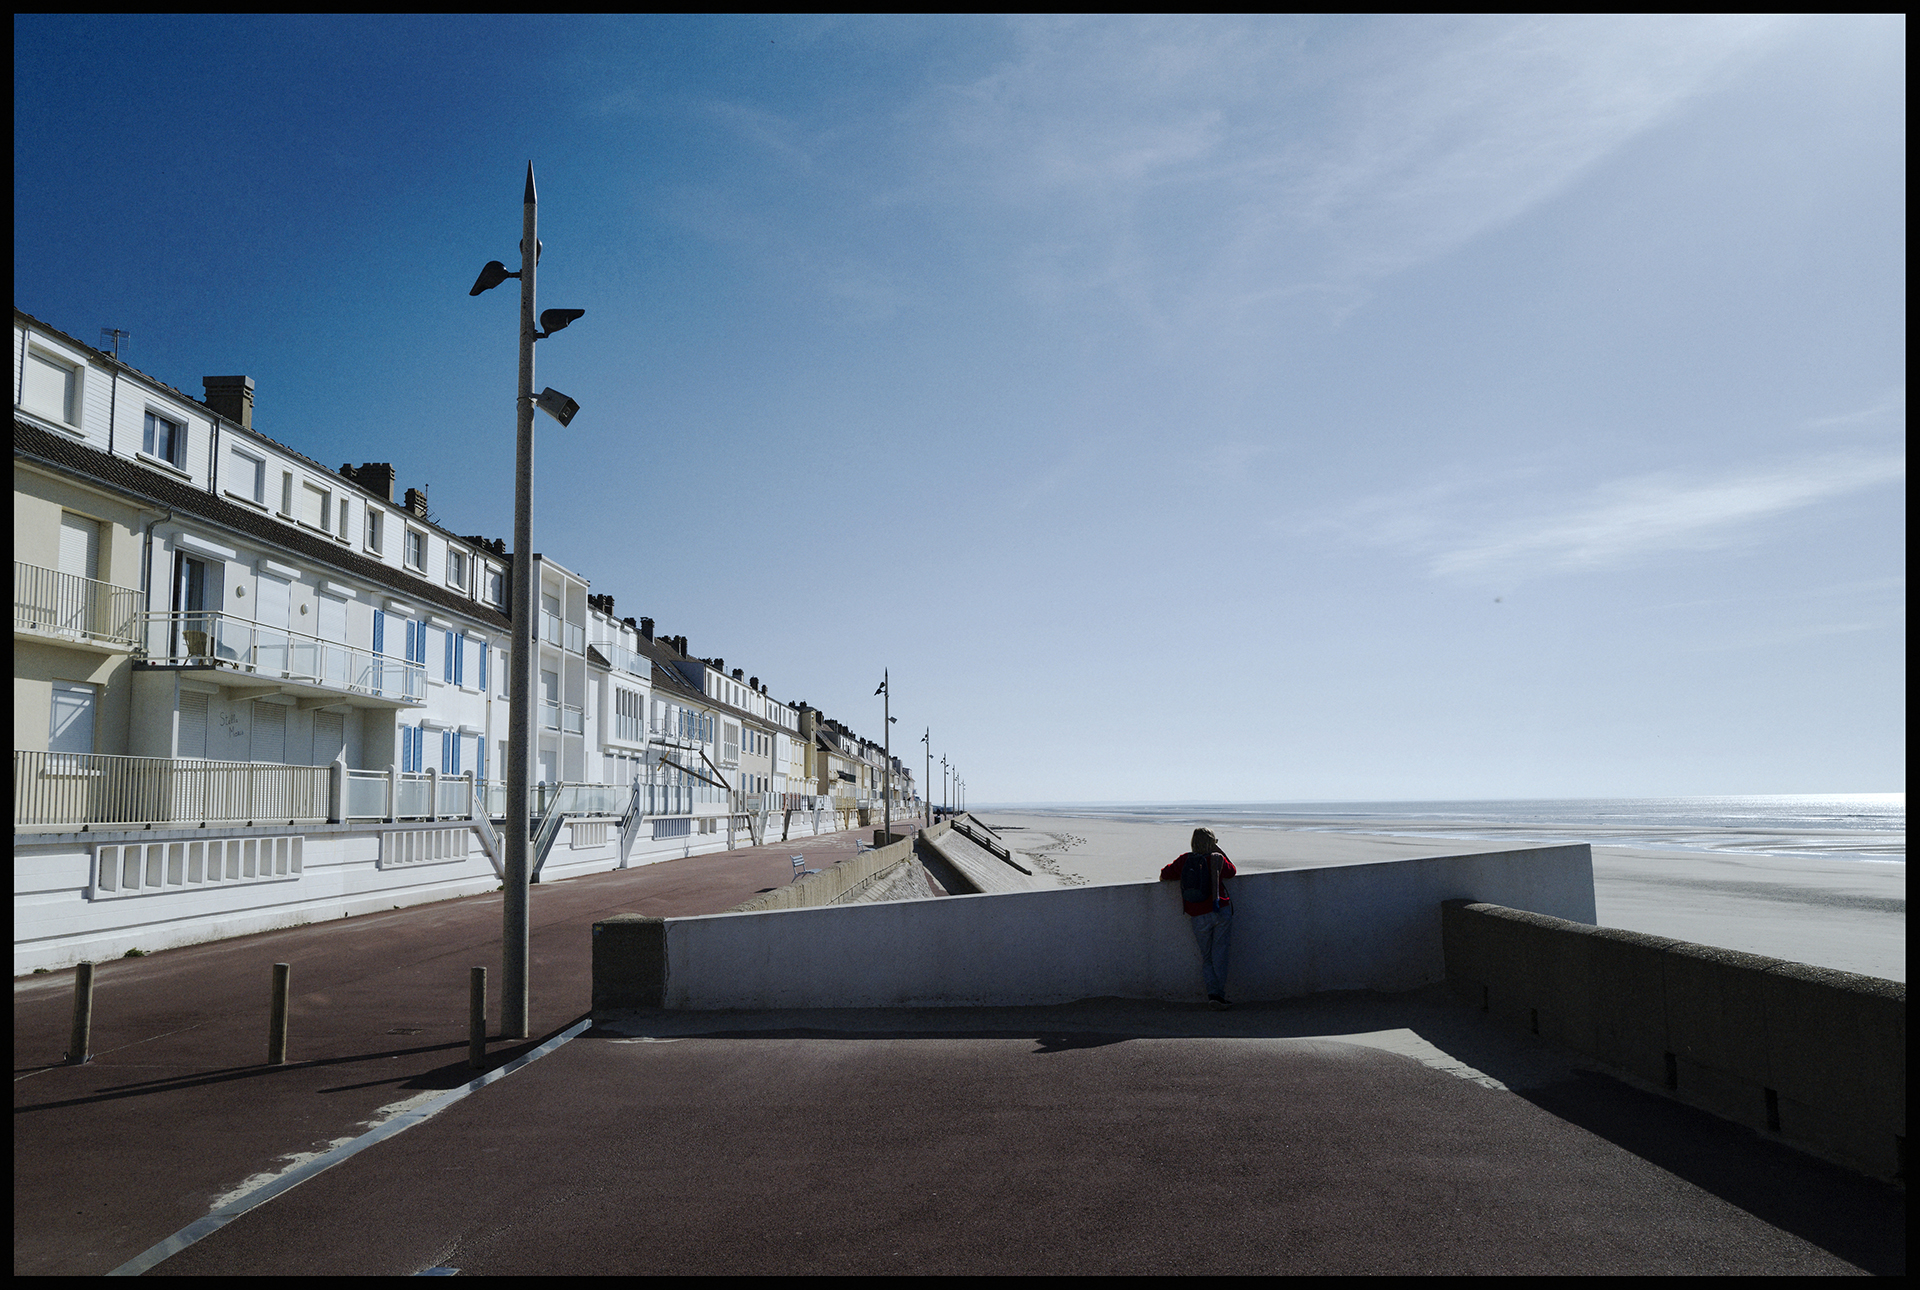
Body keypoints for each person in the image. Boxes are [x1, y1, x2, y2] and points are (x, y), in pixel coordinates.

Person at [1160, 827, 1236, 1009]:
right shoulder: (1216, 858)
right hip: (1220, 910)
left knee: (1207, 956)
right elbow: (1232, 871)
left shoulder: (1185, 860)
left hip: (1198, 913)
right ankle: (1218, 995)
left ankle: (1213, 994)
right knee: (1220, 954)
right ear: (1212, 842)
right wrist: (1218, 849)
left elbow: (1164, 874)